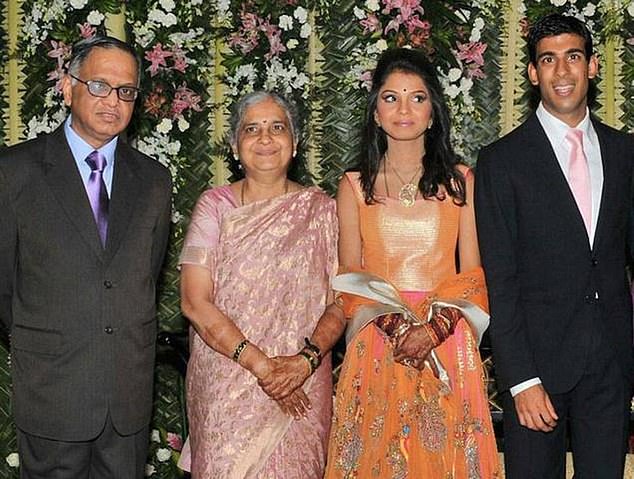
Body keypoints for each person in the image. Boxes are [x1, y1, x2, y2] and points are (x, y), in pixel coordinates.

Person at [0, 36, 172, 478]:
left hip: (127, 402)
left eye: (126, 91)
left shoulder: (154, 180)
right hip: (53, 394)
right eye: (98, 85)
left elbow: (143, 277)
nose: (112, 101)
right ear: (67, 86)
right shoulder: (15, 171)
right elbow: (4, 290)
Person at [325, 48, 500, 478]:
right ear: (375, 113)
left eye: (417, 98)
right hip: (378, 339)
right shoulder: (353, 185)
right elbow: (350, 277)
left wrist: (433, 331)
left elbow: (473, 276)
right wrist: (400, 329)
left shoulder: (460, 181)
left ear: (433, 112)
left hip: (448, 339)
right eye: (391, 98)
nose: (404, 109)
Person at [475, 13, 634, 478]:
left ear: (592, 66)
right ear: (532, 72)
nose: (561, 72)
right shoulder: (502, 161)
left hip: (611, 365)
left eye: (573, 57)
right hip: (536, 370)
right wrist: (520, 379)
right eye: (548, 60)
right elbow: (499, 281)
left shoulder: (625, 154)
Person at [178, 90, 346, 478]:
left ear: (295, 142)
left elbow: (342, 301)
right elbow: (194, 301)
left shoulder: (322, 212)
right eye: (252, 129)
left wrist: (303, 363)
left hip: (303, 380)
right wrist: (264, 368)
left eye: (277, 128)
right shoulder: (215, 207)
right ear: (236, 146)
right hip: (229, 380)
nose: (266, 138)